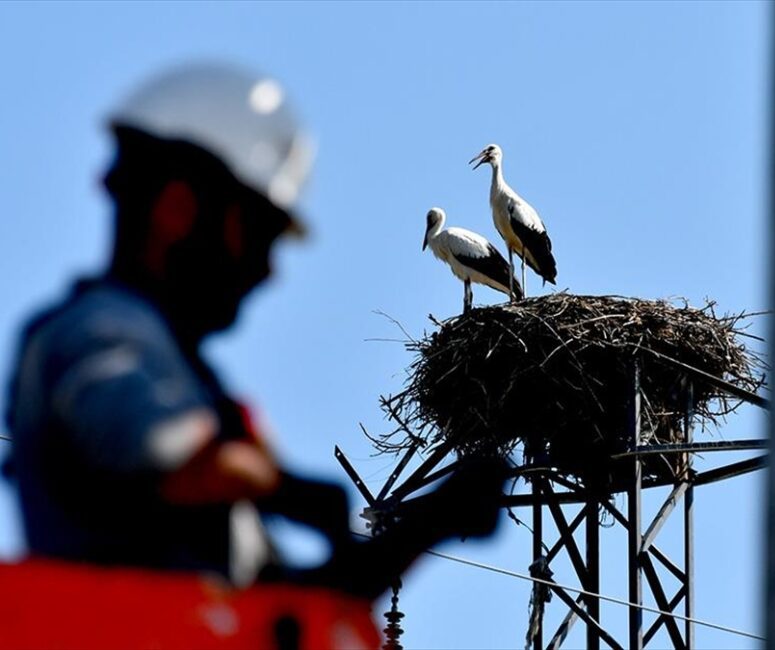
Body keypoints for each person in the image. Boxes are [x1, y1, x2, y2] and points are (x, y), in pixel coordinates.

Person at [3, 63, 505, 602]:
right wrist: (285, 488)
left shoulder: (189, 381)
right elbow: (168, 458)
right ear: (179, 209)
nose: (268, 272)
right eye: (257, 234)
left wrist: (428, 522)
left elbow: (289, 605)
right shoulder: (96, 334)